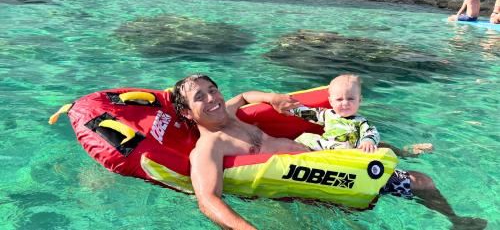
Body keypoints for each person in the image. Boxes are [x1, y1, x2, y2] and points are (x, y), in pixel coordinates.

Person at [171, 74, 486, 230]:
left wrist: (270, 96)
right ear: (187, 114)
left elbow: (242, 95)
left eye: (213, 89)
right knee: (422, 182)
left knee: (379, 149)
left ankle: (406, 157)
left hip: (320, 153)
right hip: (323, 174)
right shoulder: (207, 147)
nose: (212, 98)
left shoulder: (228, 112)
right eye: (201, 97)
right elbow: (207, 199)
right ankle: (457, 222)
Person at [294, 74, 433, 157]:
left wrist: (368, 141)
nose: (345, 103)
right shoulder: (327, 114)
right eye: (339, 99)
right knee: (305, 137)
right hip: (328, 146)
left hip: (351, 150)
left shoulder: (361, 122)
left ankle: (409, 152)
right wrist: (292, 109)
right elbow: (309, 114)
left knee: (384, 147)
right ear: (331, 101)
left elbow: (372, 133)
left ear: (359, 100)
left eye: (350, 99)